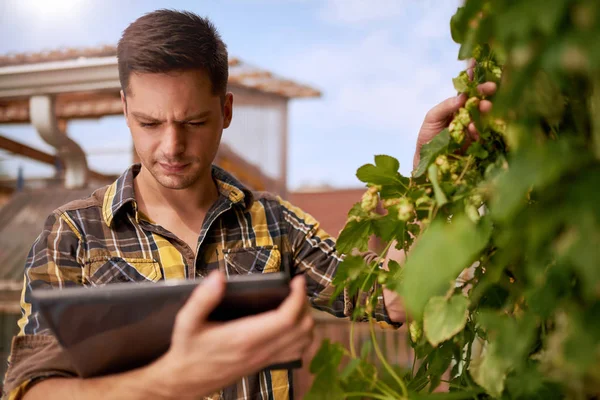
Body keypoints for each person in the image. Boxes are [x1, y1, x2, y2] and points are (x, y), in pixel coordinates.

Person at [2, 9, 496, 400]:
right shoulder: (71, 233)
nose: (171, 147)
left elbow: (394, 298)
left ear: (226, 111)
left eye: (193, 123)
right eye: (150, 124)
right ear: (126, 113)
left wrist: (427, 170)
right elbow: (29, 390)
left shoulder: (275, 222)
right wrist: (171, 382)